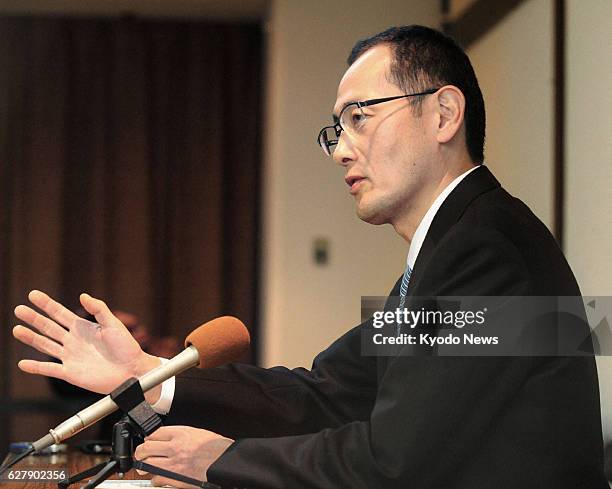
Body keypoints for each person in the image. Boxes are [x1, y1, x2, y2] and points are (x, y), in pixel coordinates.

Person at [11, 25, 608, 488]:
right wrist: (148, 378)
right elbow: (325, 393)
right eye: (335, 129)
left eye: (359, 117)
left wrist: (225, 460)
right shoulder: (457, 244)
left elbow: (395, 463)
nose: (341, 150)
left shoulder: (485, 249)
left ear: (445, 114)